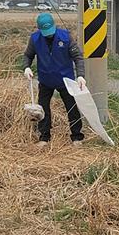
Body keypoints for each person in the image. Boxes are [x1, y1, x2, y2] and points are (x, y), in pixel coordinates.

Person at [24, 13, 86, 148]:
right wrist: (27, 67)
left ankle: (76, 137)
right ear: (40, 29)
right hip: (46, 79)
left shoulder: (66, 37)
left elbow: (78, 57)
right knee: (43, 108)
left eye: (50, 32)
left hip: (65, 79)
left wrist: (80, 75)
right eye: (45, 33)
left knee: (72, 108)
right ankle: (44, 137)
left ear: (54, 26)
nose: (49, 35)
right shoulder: (35, 39)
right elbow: (28, 55)